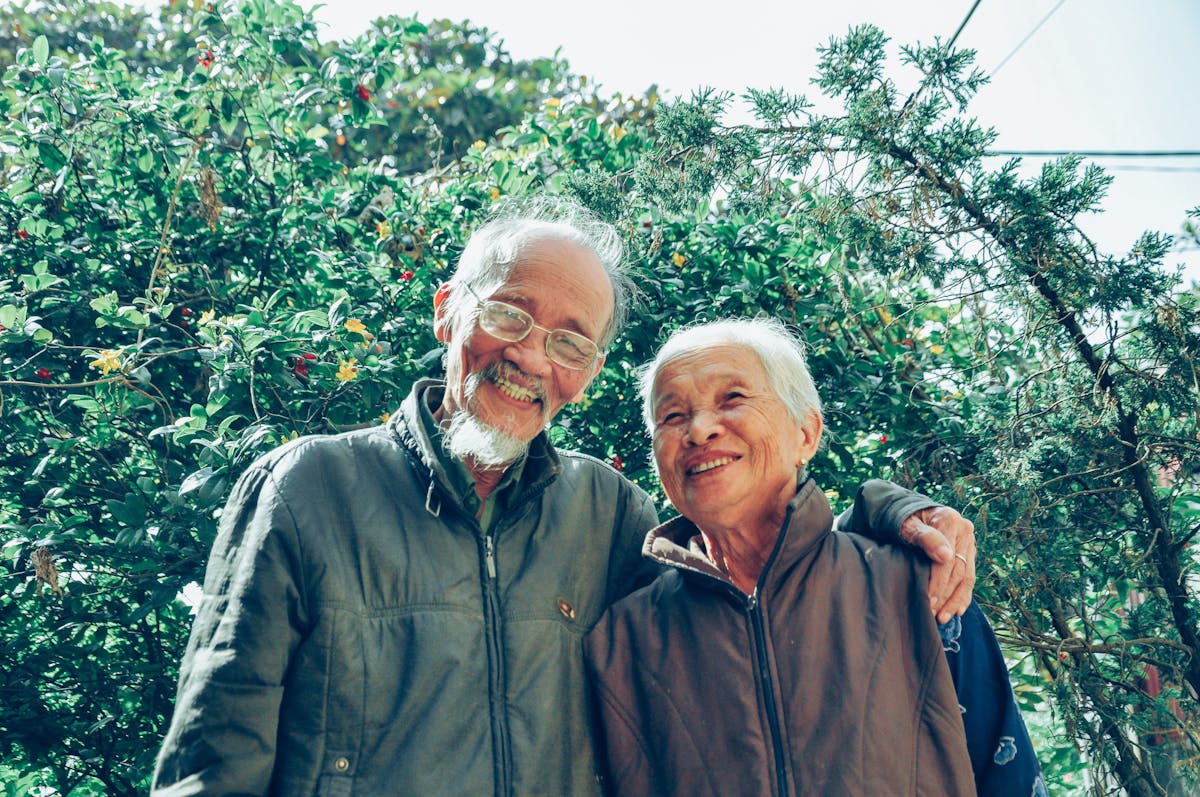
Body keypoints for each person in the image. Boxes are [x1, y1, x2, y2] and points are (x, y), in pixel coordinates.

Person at [151, 197, 979, 796]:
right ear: (448, 313)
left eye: (570, 341)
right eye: (508, 314)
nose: (532, 357)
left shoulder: (609, 512)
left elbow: (753, 586)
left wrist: (889, 511)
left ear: (587, 372)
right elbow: (211, 761)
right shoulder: (308, 489)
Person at [584, 318, 1046, 797]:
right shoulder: (622, 640)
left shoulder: (918, 585)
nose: (699, 430)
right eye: (673, 416)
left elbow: (1007, 772)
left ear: (805, 434)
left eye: (733, 399)